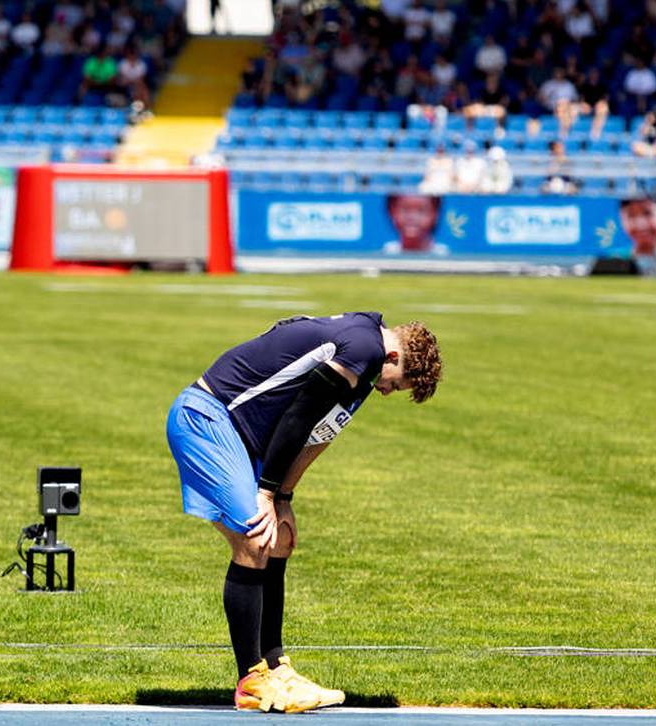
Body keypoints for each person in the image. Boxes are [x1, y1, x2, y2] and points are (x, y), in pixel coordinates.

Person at [166, 313, 442, 713]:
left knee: (277, 539)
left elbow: (317, 434)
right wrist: (265, 494)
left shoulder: (364, 366)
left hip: (241, 436)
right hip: (208, 417)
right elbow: (299, 413)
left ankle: (276, 668)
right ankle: (252, 681)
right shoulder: (363, 349)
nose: (387, 391)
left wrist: (284, 499)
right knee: (255, 537)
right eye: (395, 383)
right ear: (394, 354)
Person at [383, 194, 449, 255]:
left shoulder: (443, 256)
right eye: (405, 209)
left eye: (421, 210)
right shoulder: (386, 254)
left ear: (435, 214)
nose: (412, 217)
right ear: (392, 211)